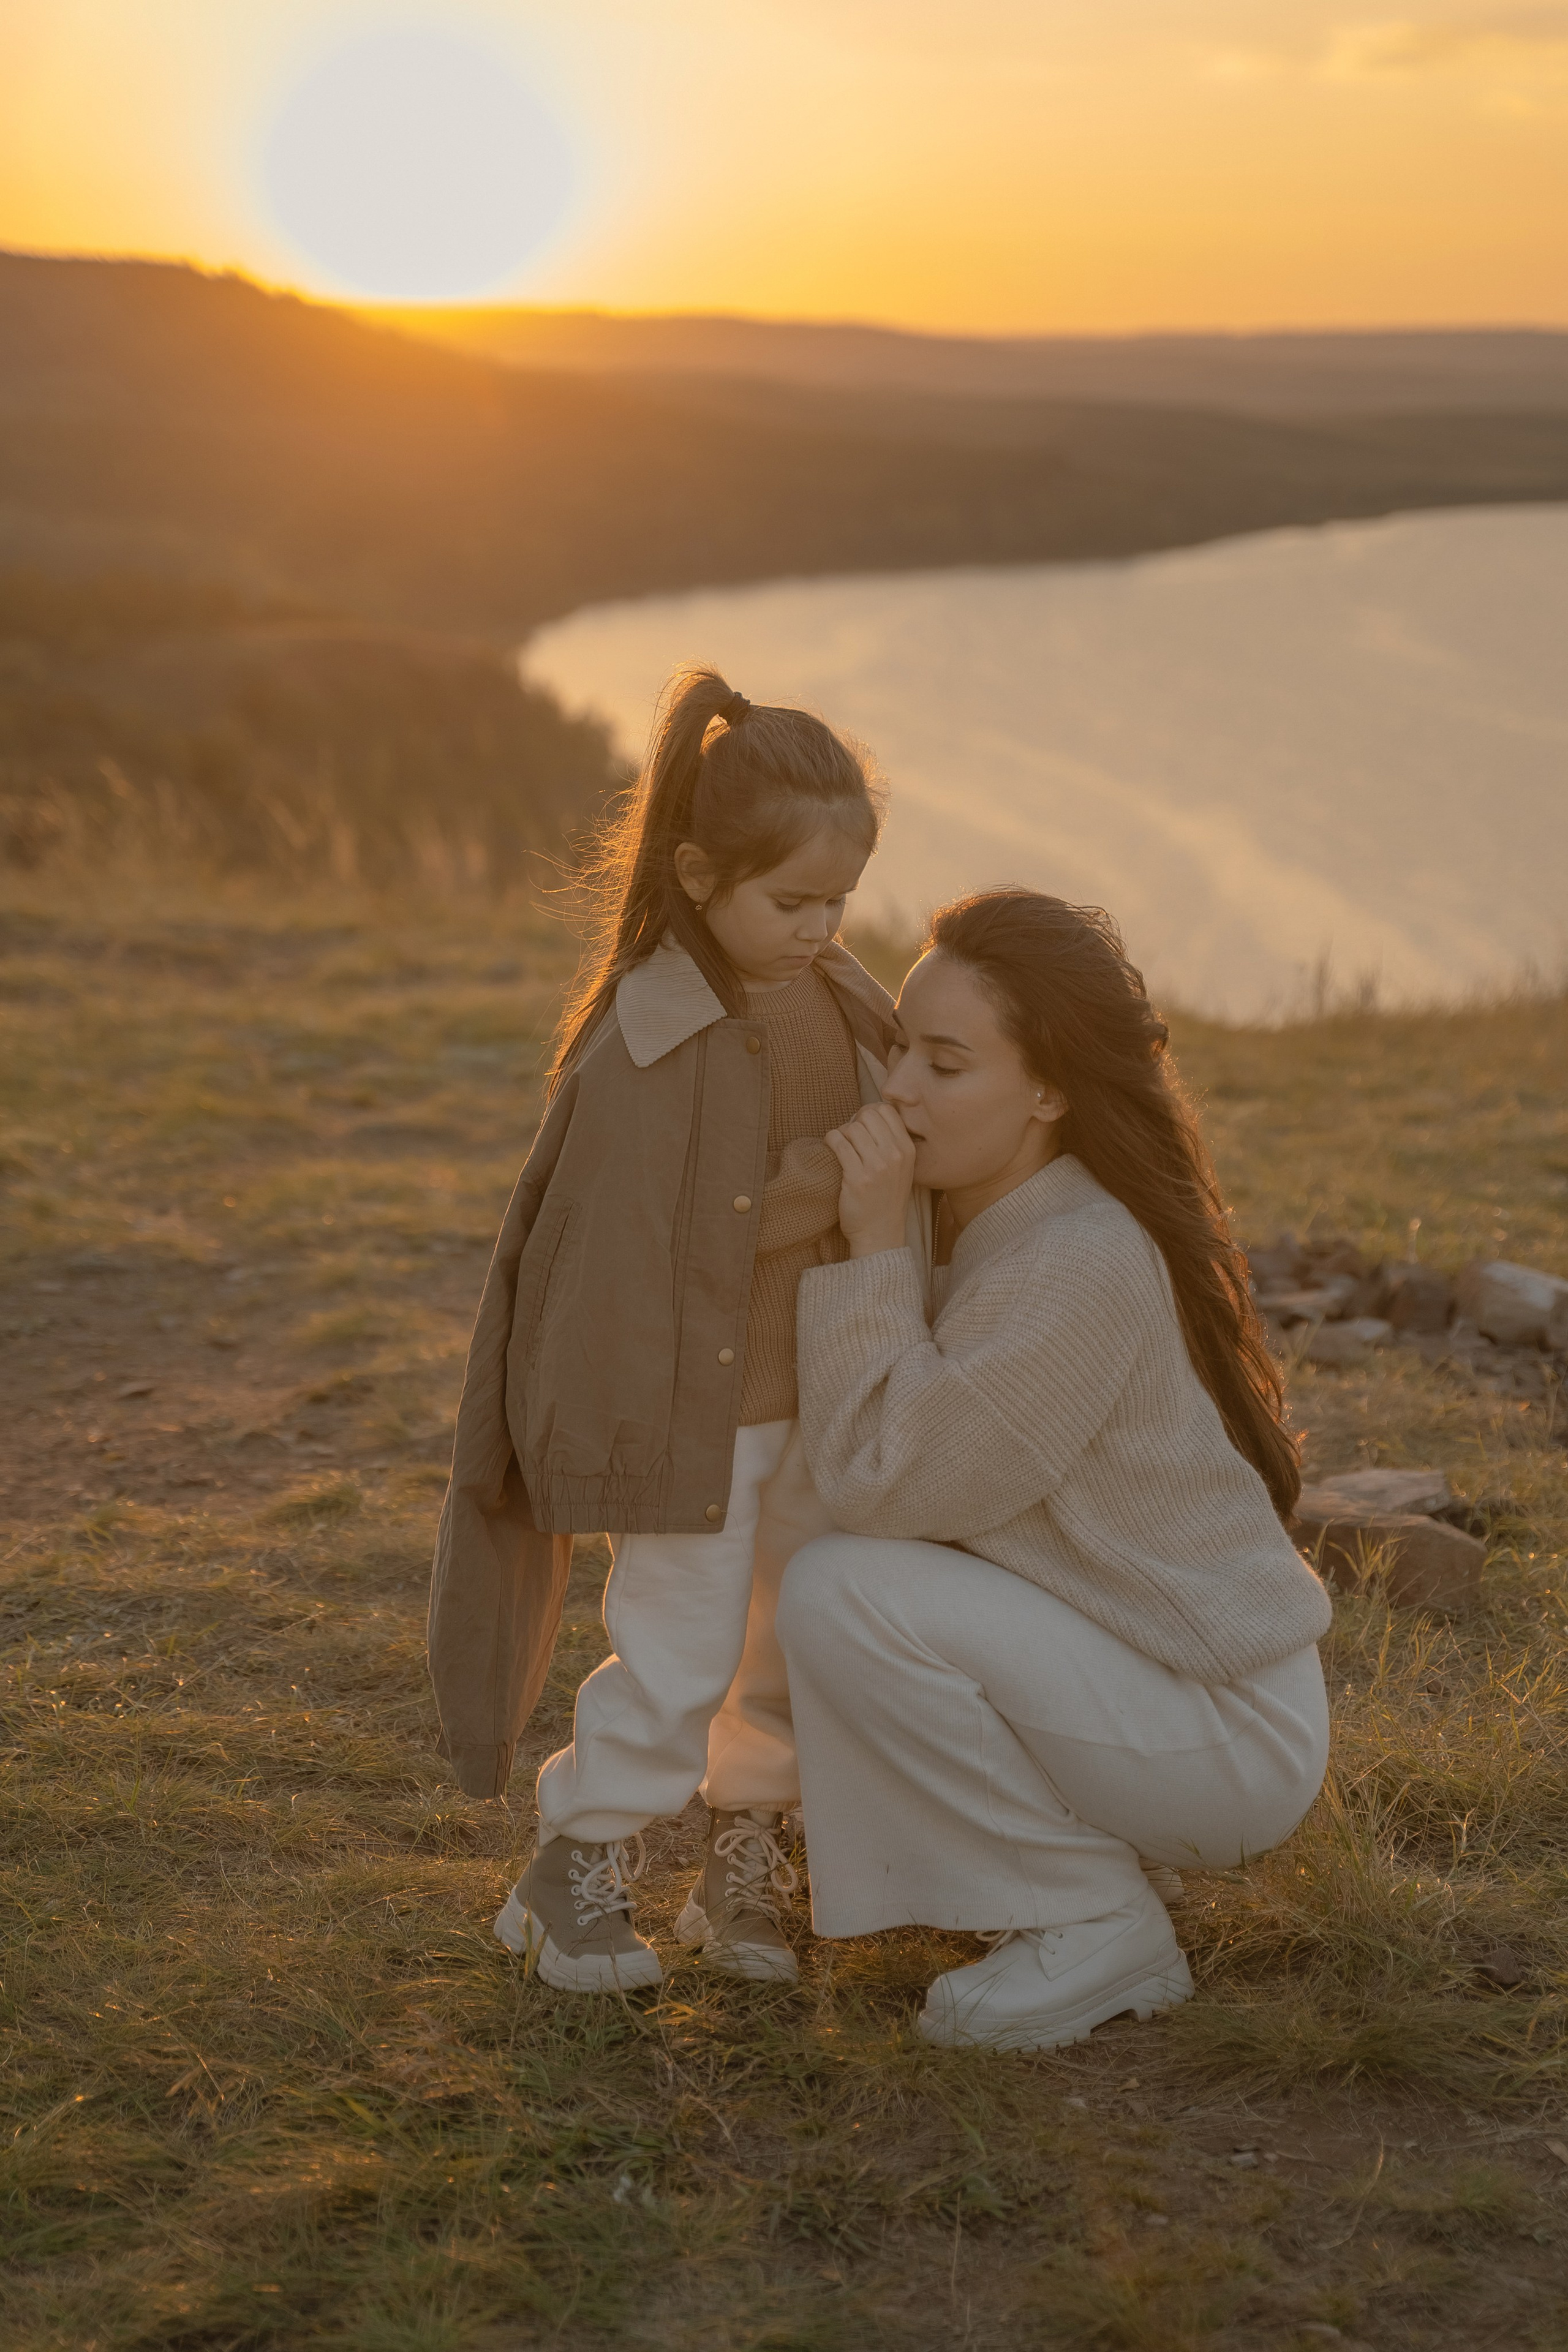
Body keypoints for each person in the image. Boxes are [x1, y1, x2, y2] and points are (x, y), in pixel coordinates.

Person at [777, 888, 1333, 2052]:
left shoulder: (1078, 1258)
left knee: (843, 1588)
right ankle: (1085, 1861)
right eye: (899, 1051)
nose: (899, 1091)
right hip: (1161, 1686)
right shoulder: (1004, 1221)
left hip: (1227, 1738)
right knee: (853, 1581)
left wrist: (874, 1243)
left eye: (945, 1064)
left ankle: (1092, 1918)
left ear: (1048, 1091)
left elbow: (890, 1486)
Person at [428, 666, 900, 1993]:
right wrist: (830, 1182)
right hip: (694, 1416)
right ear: (697, 873)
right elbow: (646, 1242)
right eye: (790, 902)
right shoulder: (652, 1033)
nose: (818, 928)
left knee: (790, 1639)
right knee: (678, 1648)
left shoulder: (843, 997)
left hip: (820, 1390)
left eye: (838, 902)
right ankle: (572, 1866)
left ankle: (744, 1858)